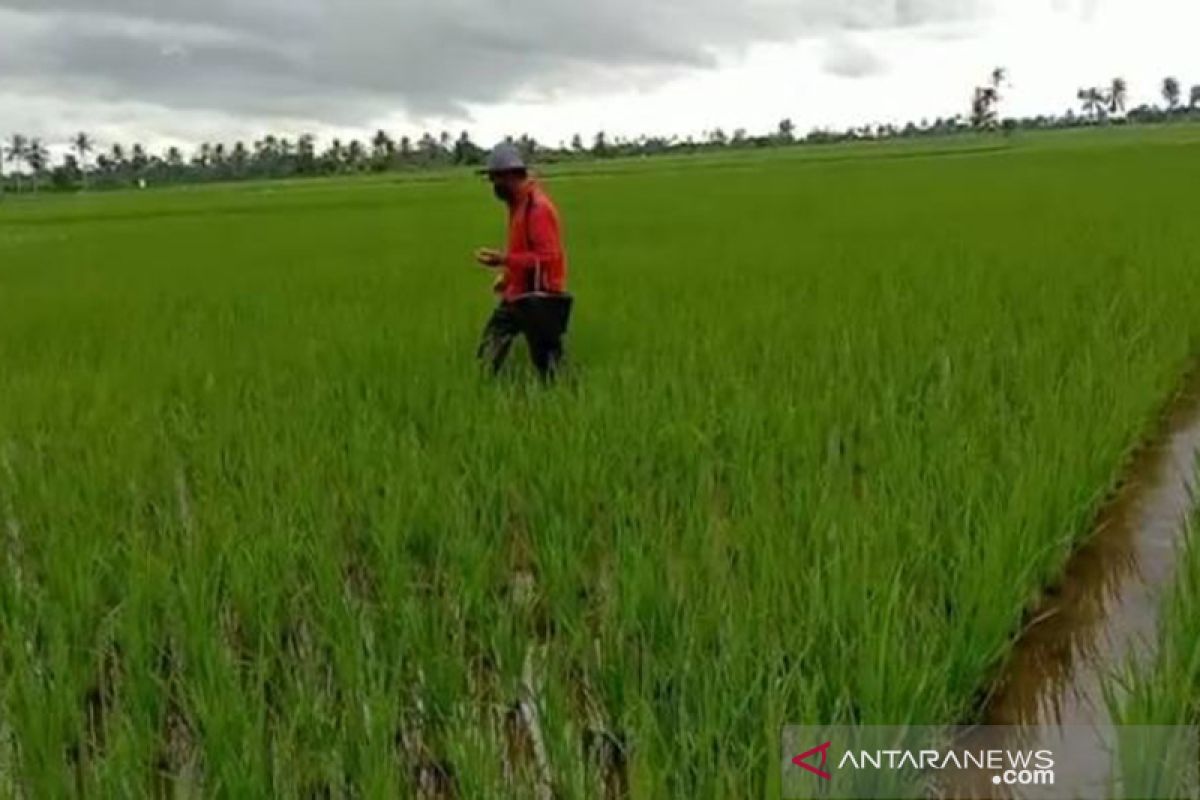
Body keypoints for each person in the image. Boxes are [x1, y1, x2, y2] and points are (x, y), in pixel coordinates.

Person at [474, 143, 572, 380]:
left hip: (541, 297)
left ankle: (563, 403)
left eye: (495, 179)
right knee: (490, 346)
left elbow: (548, 257)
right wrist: (507, 277)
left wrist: (504, 260)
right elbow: (524, 250)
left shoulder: (537, 209)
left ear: (510, 176)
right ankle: (485, 388)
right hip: (518, 293)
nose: (493, 186)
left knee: (549, 367)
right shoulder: (517, 205)